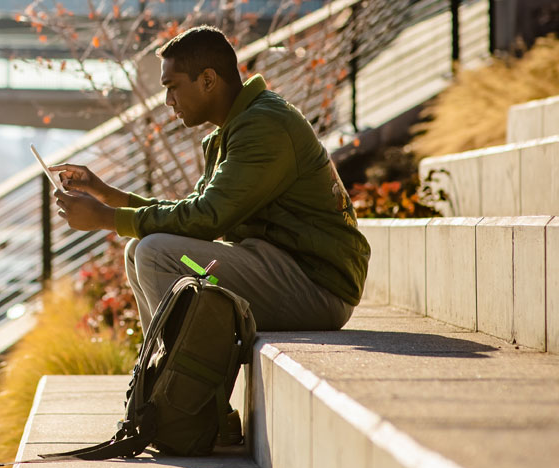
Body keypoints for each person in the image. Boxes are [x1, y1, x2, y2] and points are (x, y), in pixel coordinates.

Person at [50, 25, 369, 332]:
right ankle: (157, 372)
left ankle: (176, 382)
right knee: (137, 251)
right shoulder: (237, 127)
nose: (168, 101)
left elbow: (205, 220)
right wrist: (104, 193)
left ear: (207, 80)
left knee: (154, 252)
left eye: (172, 86)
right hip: (283, 269)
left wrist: (105, 218)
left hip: (317, 288)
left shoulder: (264, 127)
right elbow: (193, 212)